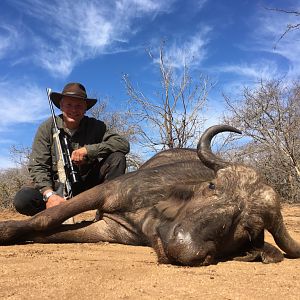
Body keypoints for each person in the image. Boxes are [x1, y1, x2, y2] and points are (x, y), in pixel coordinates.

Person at [14, 82, 130, 216]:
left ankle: (109, 213)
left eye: (79, 105)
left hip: (87, 184)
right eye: (69, 104)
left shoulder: (96, 126)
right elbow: (38, 166)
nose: (74, 110)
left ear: (85, 108)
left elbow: (123, 144)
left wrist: (89, 150)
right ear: (61, 106)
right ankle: (49, 219)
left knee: (117, 158)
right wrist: (49, 194)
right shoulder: (46, 127)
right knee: (23, 200)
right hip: (56, 185)